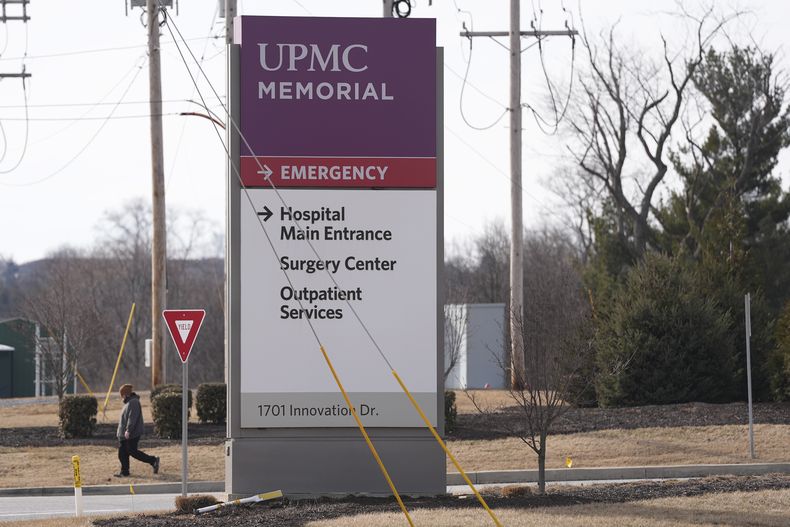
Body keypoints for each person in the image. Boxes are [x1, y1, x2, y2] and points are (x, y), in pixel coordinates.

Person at [114, 384, 160, 477]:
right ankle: (124, 472)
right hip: (125, 434)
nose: (121, 397)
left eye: (122, 395)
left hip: (131, 433)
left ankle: (153, 460)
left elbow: (132, 418)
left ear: (126, 394)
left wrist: (128, 430)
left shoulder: (133, 402)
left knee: (132, 451)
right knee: (122, 453)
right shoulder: (128, 403)